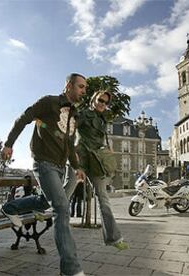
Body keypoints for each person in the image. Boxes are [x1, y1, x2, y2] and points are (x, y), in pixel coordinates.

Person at [0, 73, 87, 276]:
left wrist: (76, 167)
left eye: (85, 88)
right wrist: (9, 143)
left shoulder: (74, 116)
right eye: (81, 86)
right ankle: (70, 269)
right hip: (43, 163)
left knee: (43, 201)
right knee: (61, 207)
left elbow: (69, 145)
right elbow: (24, 118)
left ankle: (9, 207)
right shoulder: (49, 103)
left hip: (59, 166)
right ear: (68, 86)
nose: (84, 90)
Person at [65, 90, 128, 250]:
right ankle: (39, 208)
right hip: (81, 158)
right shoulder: (84, 114)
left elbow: (98, 140)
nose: (103, 104)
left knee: (103, 199)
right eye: (100, 100)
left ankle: (114, 238)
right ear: (94, 99)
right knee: (66, 192)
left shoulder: (102, 119)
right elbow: (69, 132)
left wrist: (107, 148)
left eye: (106, 102)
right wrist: (73, 156)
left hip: (96, 161)